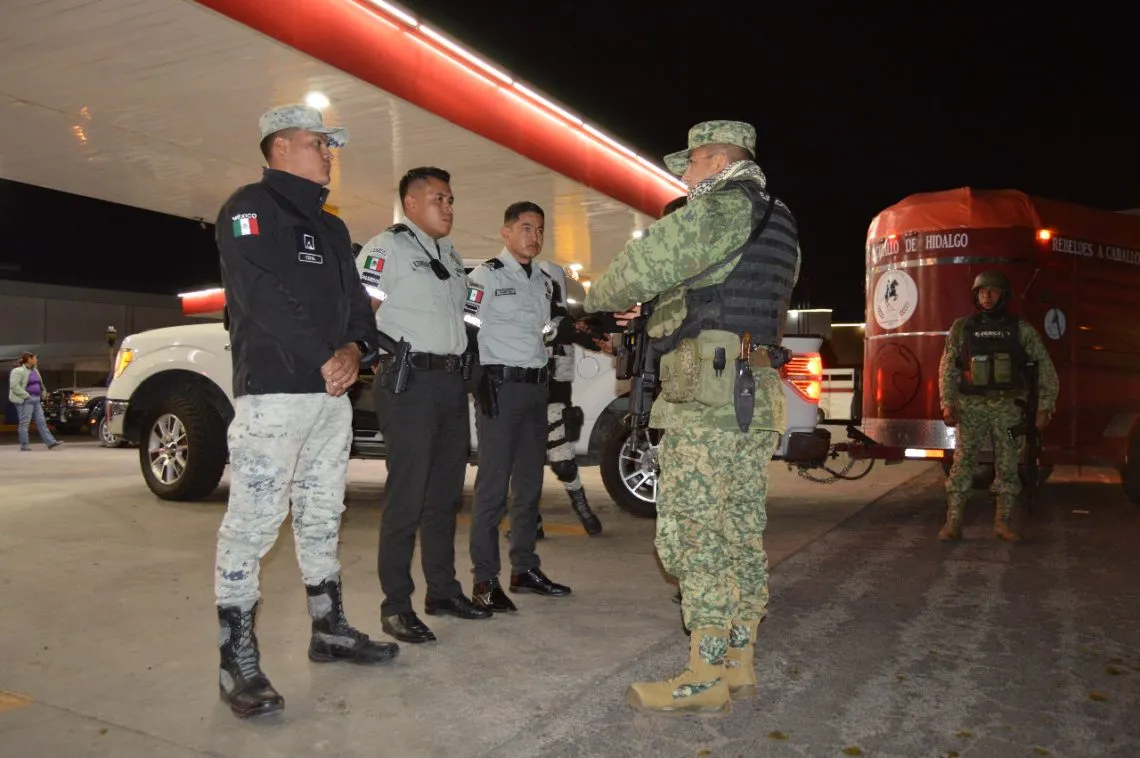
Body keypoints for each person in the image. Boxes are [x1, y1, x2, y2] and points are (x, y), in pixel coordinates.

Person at [584, 120, 800, 716]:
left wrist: (595, 297)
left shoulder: (718, 211)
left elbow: (633, 272)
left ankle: (703, 677)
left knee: (695, 535)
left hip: (707, 398)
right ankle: (739, 661)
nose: (684, 176)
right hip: (754, 394)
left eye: (692, 163)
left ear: (719, 159)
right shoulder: (781, 222)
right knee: (738, 532)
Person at [213, 104, 398, 720]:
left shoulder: (334, 227)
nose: (328, 153)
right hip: (275, 392)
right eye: (319, 142)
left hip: (331, 394)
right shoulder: (247, 208)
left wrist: (352, 350)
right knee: (254, 522)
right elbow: (258, 293)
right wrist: (324, 355)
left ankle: (329, 627)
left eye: (329, 144)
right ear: (281, 147)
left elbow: (358, 306)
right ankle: (235, 660)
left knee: (322, 512)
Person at [355, 167, 491, 645]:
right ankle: (395, 605)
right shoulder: (386, 248)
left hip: (450, 385)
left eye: (452, 199)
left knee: (445, 497)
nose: (449, 207)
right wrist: (370, 356)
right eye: (439, 198)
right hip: (409, 382)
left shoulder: (451, 256)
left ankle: (443, 591)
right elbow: (359, 312)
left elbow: (461, 319)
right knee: (407, 496)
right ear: (411, 204)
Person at [466, 201, 573, 613]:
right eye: (526, 228)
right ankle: (484, 581)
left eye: (540, 229)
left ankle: (524, 568)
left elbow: (545, 331)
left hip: (534, 390)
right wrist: (479, 381)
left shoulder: (543, 282)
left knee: (529, 485)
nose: (534, 236)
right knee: (493, 487)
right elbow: (466, 329)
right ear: (506, 232)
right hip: (501, 389)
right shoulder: (486, 277)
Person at [938, 270, 1059, 542]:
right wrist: (947, 403)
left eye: (993, 291)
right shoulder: (962, 328)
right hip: (971, 407)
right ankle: (953, 522)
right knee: (963, 463)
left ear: (1003, 295)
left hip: (1009, 409)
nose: (987, 296)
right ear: (975, 295)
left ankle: (1003, 523)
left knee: (1008, 464)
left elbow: (1045, 368)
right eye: (982, 291)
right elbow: (947, 368)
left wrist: (1044, 406)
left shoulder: (1020, 328)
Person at [536, 258, 606, 536]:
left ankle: (582, 507)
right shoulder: (522, 315)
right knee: (524, 467)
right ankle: (530, 521)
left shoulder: (563, 321)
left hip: (555, 403)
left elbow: (585, 336)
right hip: (523, 400)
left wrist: (593, 328)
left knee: (564, 463)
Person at [8, 353, 61, 451]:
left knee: (41, 422)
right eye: (35, 358)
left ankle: (51, 442)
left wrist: (43, 392)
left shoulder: (35, 370)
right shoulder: (17, 371)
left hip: (36, 399)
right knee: (24, 423)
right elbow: (14, 386)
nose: (36, 360)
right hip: (25, 400)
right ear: (29, 359)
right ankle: (24, 445)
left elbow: (40, 384)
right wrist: (27, 396)